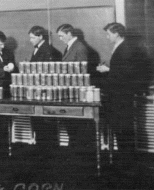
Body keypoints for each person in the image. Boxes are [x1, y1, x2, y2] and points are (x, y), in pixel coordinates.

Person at [96, 22, 143, 165]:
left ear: (116, 33)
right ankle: (126, 161)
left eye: (109, 34)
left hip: (121, 97)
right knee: (121, 128)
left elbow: (126, 74)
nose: (107, 37)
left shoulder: (125, 48)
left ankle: (127, 162)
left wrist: (107, 70)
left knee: (123, 129)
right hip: (119, 96)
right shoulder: (122, 48)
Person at [56, 24, 89, 149]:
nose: (60, 39)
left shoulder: (79, 47)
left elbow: (82, 72)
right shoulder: (70, 47)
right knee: (71, 124)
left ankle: (77, 152)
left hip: (75, 92)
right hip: (69, 90)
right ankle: (74, 150)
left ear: (69, 34)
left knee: (76, 125)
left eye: (61, 36)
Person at [27, 26, 61, 146]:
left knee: (45, 125)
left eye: (32, 37)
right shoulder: (39, 49)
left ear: (40, 37)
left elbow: (48, 74)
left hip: (44, 92)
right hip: (38, 91)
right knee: (39, 123)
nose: (30, 40)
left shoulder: (48, 50)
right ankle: (42, 150)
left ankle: (46, 152)